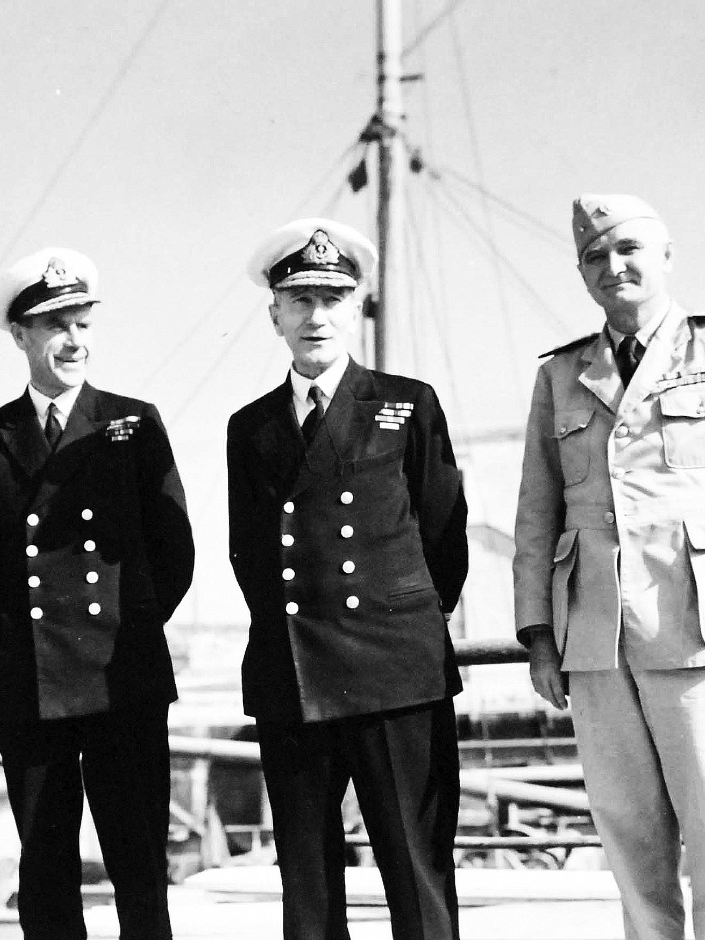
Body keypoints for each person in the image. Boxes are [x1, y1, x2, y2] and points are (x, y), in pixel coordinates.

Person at [513, 194, 705, 940]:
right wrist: (538, 637)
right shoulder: (561, 374)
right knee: (631, 849)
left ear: (666, 257)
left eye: (628, 252)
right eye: (594, 257)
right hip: (595, 640)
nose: (612, 268)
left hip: (702, 634)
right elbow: (535, 515)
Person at [227, 218, 468, 940]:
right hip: (293, 673)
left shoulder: (406, 403)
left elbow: (443, 535)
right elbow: (249, 554)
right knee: (307, 886)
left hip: (397, 672)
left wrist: (399, 626)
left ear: (357, 306)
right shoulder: (252, 426)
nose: (316, 316)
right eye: (299, 299)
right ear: (275, 315)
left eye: (333, 297)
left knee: (416, 872)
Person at [0, 248, 194, 940]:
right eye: (54, 325)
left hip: (124, 677)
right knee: (47, 870)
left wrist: (130, 629)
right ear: (20, 336)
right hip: (30, 685)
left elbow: (172, 552)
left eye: (82, 324)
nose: (72, 340)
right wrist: (25, 641)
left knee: (139, 863)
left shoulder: (134, 422)